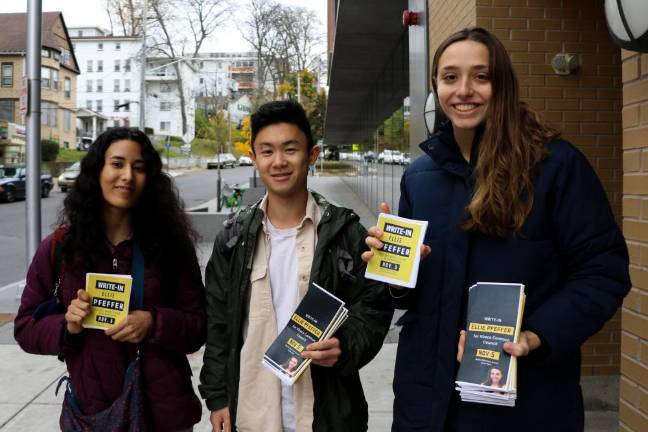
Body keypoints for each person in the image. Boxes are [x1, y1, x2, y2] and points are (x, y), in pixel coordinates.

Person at [363, 27, 630, 431]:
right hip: (426, 401)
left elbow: (602, 272)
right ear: (435, 86)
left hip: (525, 404)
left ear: (502, 84)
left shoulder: (555, 166)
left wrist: (535, 335)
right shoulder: (419, 176)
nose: (464, 90)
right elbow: (406, 296)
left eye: (481, 77)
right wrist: (394, 268)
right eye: (450, 77)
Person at [199, 100, 393, 432]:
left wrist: (344, 346)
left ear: (312, 154)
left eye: (290, 149)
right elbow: (218, 325)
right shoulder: (232, 240)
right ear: (254, 158)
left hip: (327, 415)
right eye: (267, 151)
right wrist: (217, 398)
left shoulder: (345, 234)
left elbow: (373, 309)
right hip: (252, 413)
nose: (279, 162)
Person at [14, 128, 206, 431]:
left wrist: (152, 323)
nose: (127, 175)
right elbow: (25, 328)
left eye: (139, 167)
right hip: (93, 413)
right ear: (97, 171)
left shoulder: (171, 245)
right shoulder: (61, 247)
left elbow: (198, 326)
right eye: (117, 164)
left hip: (163, 414)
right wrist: (67, 326)